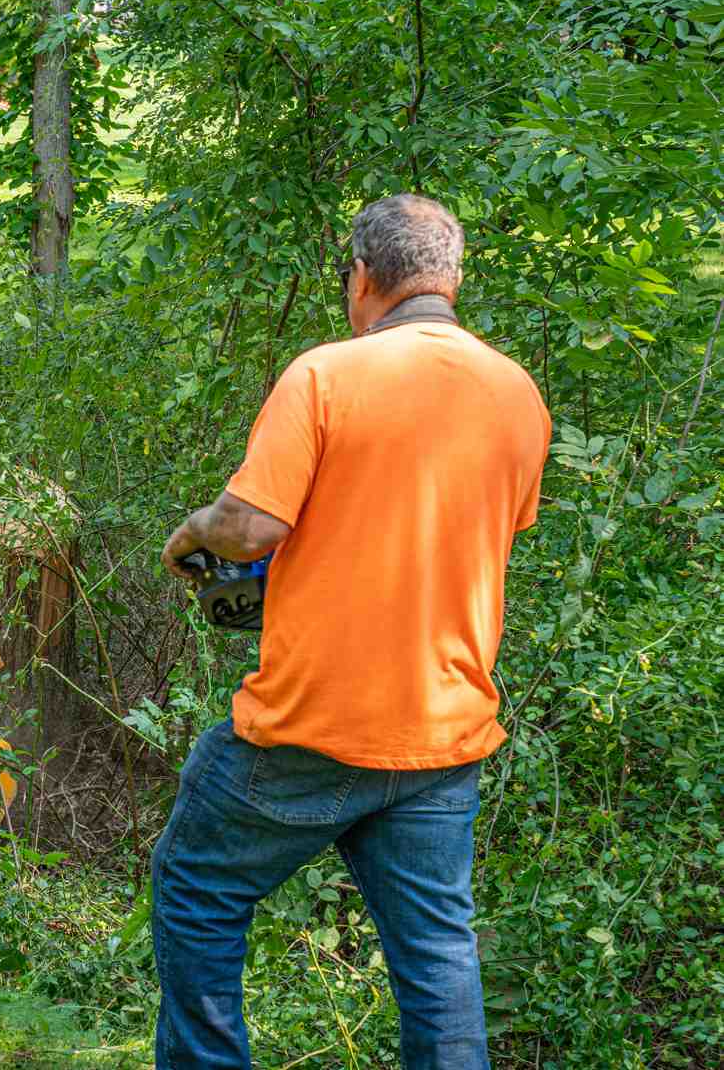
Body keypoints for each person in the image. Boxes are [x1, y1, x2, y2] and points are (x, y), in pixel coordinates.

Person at [151, 194, 551, 1070]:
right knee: (439, 953)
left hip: (312, 724)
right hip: (444, 729)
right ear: (449, 280)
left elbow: (251, 529)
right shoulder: (517, 393)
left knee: (198, 888)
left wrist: (192, 532)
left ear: (363, 278)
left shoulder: (328, 374)